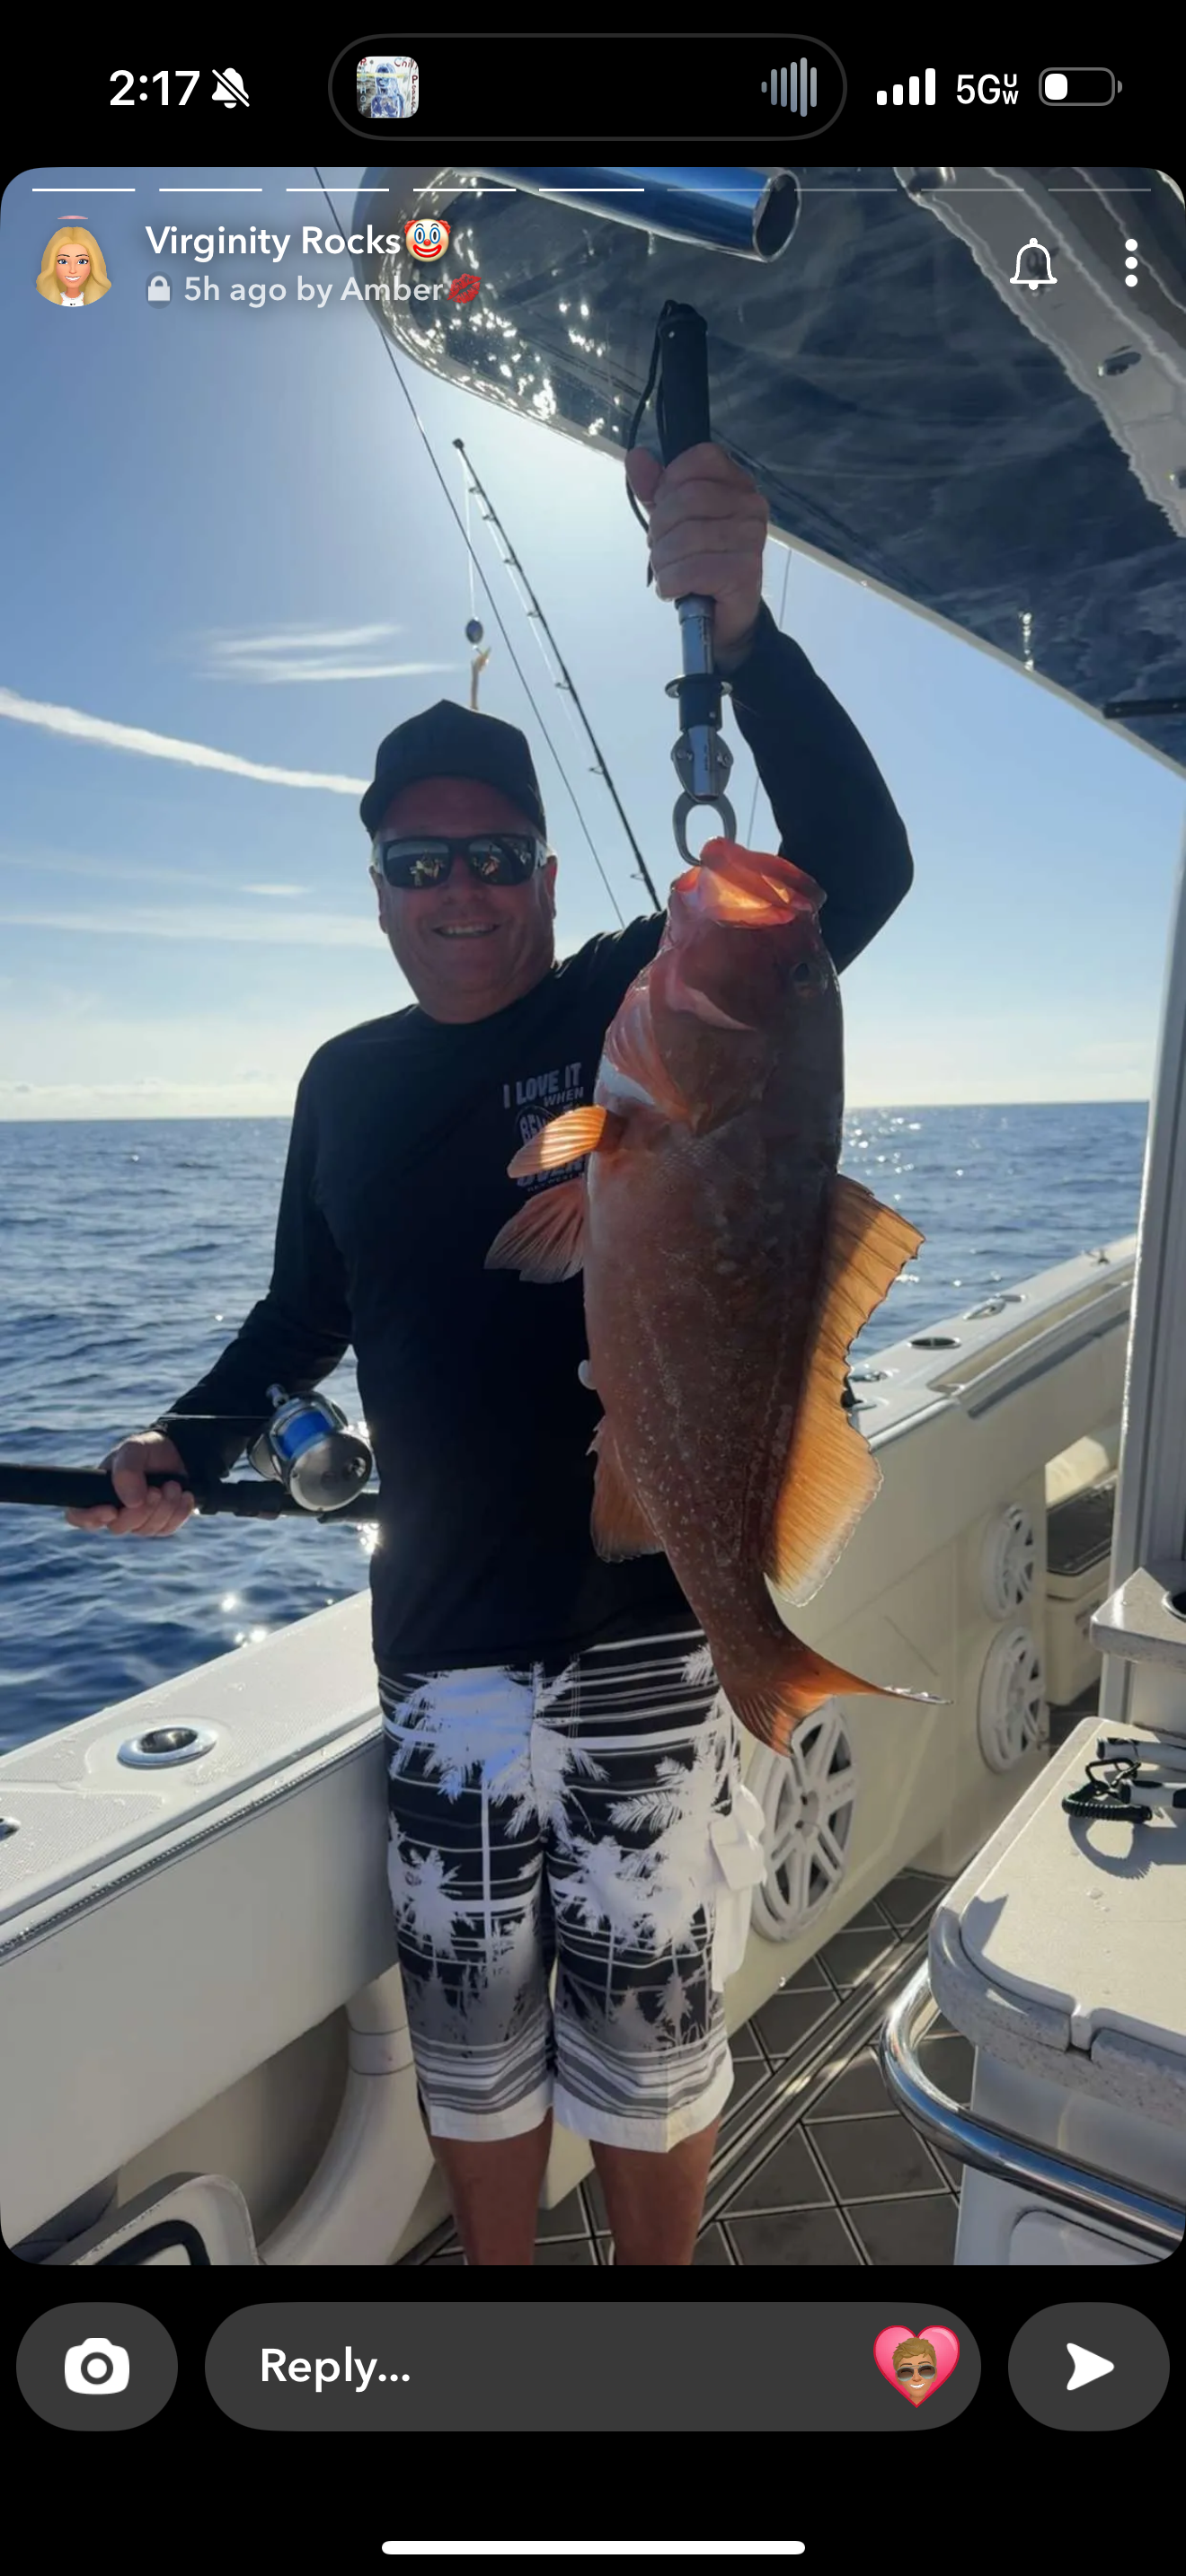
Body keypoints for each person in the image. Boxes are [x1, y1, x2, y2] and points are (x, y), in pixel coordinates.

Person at [66, 443, 915, 2265]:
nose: (459, 889)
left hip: (654, 1630)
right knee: (471, 2043)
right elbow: (300, 1317)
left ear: (541, 869)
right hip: (444, 1642)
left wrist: (745, 635)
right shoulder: (347, 1085)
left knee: (654, 2052)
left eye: (493, 856)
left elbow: (855, 864)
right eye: (418, 860)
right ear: (377, 883)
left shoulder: (639, 998)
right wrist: (180, 1436)